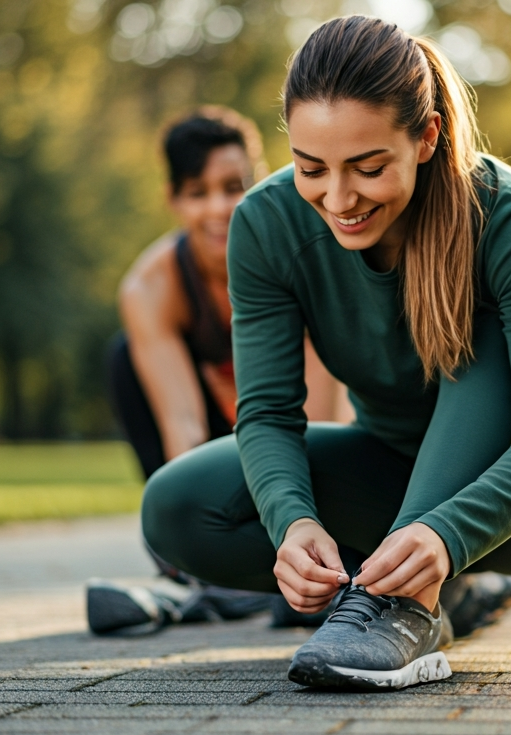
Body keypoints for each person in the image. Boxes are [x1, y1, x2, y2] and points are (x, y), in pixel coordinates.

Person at [141, 16, 511, 690]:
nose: (338, 200)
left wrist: (447, 534)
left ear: (425, 137)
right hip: (391, 469)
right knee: (178, 506)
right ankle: (431, 590)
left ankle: (406, 605)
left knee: (475, 323)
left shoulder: (503, 213)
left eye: (368, 168)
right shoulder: (265, 224)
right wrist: (294, 522)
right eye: (312, 168)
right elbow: (270, 414)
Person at [90, 108, 351, 635]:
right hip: (223, 447)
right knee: (123, 359)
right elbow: (183, 433)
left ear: (260, 181)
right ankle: (206, 572)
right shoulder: (152, 289)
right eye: (197, 192)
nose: (219, 208)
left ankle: (272, 574)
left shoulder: (304, 258)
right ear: (173, 199)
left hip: (301, 446)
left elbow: (324, 428)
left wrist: (304, 533)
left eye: (234, 186)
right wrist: (198, 526)